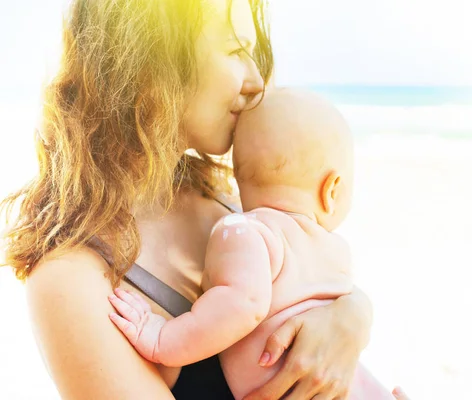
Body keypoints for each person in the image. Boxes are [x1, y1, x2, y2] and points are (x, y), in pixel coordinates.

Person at [0, 0, 409, 398]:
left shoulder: (225, 197)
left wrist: (352, 318)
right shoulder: (70, 278)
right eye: (235, 51)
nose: (257, 82)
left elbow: (320, 285)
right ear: (150, 54)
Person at [108, 88, 396, 399]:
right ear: (332, 191)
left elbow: (242, 305)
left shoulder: (246, 232)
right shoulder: (335, 249)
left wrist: (160, 337)